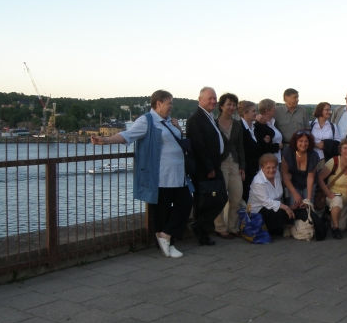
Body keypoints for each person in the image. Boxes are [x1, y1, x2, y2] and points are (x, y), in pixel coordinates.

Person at [92, 90, 193, 259]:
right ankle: (168, 244)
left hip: (178, 174)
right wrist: (106, 140)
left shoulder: (170, 121)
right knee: (162, 211)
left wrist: (177, 128)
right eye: (169, 103)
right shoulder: (147, 121)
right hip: (160, 175)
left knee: (186, 202)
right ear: (158, 104)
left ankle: (166, 236)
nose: (171, 107)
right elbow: (127, 135)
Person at [186, 87, 227, 246]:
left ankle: (199, 228)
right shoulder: (195, 119)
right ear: (200, 99)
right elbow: (198, 146)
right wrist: (209, 168)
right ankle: (200, 231)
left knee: (217, 199)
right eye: (210, 98)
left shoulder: (209, 117)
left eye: (214, 98)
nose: (213, 101)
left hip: (214, 165)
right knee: (205, 201)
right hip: (205, 169)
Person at [214, 93, 245, 239]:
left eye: (234, 105)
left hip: (234, 163)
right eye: (229, 104)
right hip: (220, 163)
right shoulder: (214, 123)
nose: (232, 107)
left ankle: (233, 226)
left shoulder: (237, 124)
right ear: (221, 106)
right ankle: (220, 227)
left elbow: (240, 146)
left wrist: (242, 166)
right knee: (220, 197)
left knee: (236, 197)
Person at [316, 138, 347, 239]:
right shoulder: (334, 161)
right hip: (332, 196)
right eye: (345, 148)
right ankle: (335, 229)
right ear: (340, 150)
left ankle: (328, 216)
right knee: (337, 201)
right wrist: (328, 192)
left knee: (343, 227)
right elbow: (319, 177)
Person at [248, 153, 296, 237]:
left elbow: (279, 194)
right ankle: (282, 228)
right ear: (262, 168)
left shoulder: (277, 174)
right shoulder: (258, 182)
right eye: (268, 168)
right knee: (282, 213)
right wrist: (286, 207)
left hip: (274, 205)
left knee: (292, 210)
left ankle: (281, 228)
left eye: (274, 167)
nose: (271, 170)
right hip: (258, 210)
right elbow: (266, 202)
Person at [239, 100, 277, 202]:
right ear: (245, 112)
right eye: (253, 111)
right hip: (245, 169)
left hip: (254, 168)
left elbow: (271, 132)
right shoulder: (240, 127)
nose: (256, 113)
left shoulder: (254, 127)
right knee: (246, 196)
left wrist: (262, 122)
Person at [280, 130, 320, 207]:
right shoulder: (288, 153)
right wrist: (295, 194)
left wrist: (308, 199)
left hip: (308, 182)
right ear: (295, 141)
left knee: (308, 204)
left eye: (306, 141)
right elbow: (285, 175)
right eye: (300, 141)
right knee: (294, 202)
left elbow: (310, 178)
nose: (303, 144)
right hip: (294, 181)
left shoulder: (313, 155)